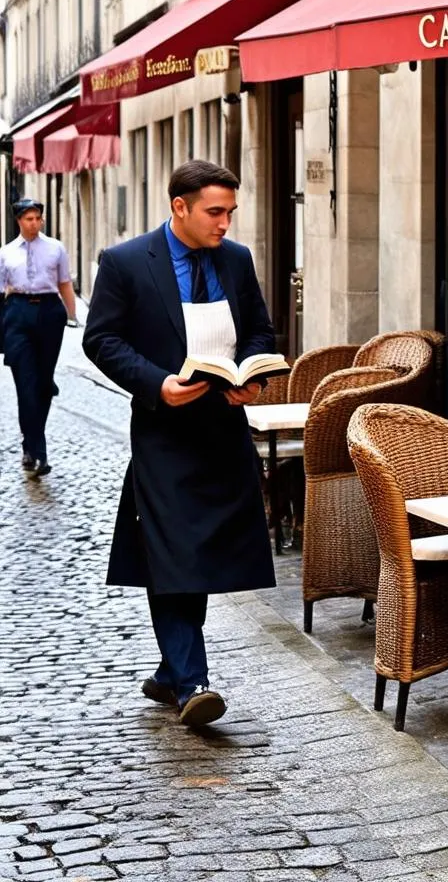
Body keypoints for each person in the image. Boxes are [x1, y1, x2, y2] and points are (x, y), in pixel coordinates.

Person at [83, 160, 276, 728]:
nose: (224, 223)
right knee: (171, 552)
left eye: (230, 213)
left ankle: (171, 671)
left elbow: (260, 330)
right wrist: (154, 383)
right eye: (215, 212)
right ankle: (193, 681)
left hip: (222, 430)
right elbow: (101, 339)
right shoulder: (124, 263)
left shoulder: (236, 261)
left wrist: (251, 375)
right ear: (180, 208)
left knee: (201, 554)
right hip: (163, 433)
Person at [0, 198, 77, 477]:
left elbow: (65, 283)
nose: (34, 223)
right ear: (19, 221)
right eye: (28, 219)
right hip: (18, 313)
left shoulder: (55, 248)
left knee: (43, 384)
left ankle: (30, 444)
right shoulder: (5, 253)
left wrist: (73, 316)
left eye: (38, 218)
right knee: (25, 383)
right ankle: (37, 451)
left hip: (49, 313)